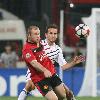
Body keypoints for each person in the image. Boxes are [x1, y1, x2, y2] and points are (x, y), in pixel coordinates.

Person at [18, 24, 84, 100]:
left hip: (51, 73)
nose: (53, 35)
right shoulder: (39, 43)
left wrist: (73, 62)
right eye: (51, 33)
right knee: (29, 85)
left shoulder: (57, 49)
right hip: (38, 74)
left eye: (55, 34)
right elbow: (32, 60)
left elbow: (64, 66)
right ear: (46, 34)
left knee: (67, 94)